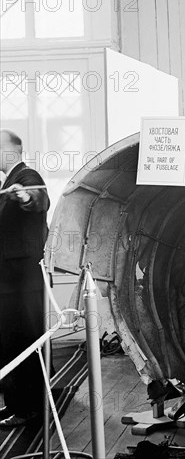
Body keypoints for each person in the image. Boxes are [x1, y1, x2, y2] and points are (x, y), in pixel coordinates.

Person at [0, 129, 50, 428]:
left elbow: (37, 197)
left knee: (22, 341)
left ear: (14, 150)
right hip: (11, 280)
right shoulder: (8, 181)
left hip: (21, 281)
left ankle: (29, 409)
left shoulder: (27, 175)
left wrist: (24, 195)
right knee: (11, 341)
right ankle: (19, 404)